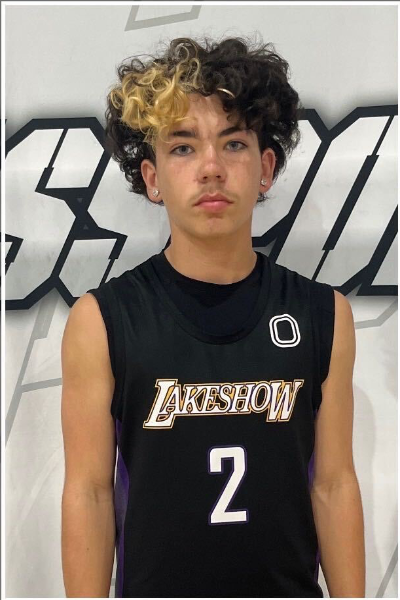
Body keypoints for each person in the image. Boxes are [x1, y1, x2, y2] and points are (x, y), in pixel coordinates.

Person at [61, 35, 365, 598]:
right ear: (152, 177)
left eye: (234, 144)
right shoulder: (102, 321)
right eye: (182, 147)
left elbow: (333, 484)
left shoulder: (324, 315)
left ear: (265, 167)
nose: (210, 168)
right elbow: (89, 492)